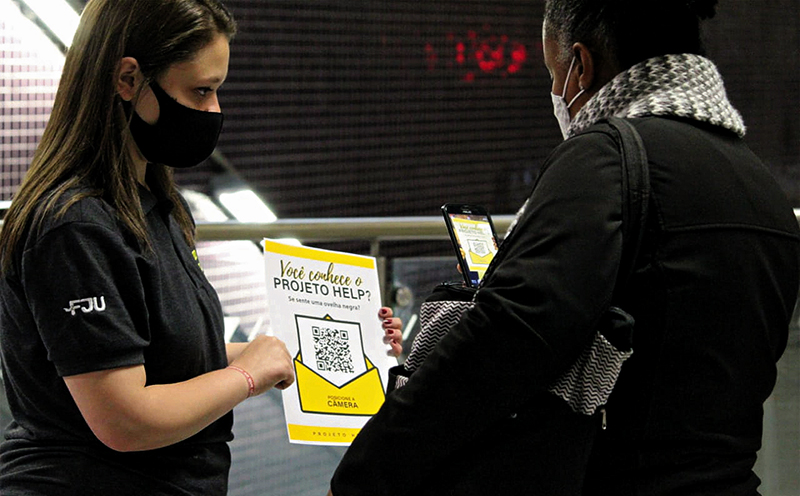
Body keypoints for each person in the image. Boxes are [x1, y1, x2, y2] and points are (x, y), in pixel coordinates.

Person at [328, 1, 800, 495]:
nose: (555, 93)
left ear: (581, 65)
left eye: (554, 74)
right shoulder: (759, 187)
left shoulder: (606, 158)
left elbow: (508, 335)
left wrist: (368, 469)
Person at [0, 1, 403, 495]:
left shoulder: (158, 206)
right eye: (201, 91)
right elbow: (124, 420)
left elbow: (163, 358)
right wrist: (246, 376)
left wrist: (321, 354)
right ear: (128, 80)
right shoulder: (73, 228)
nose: (214, 110)